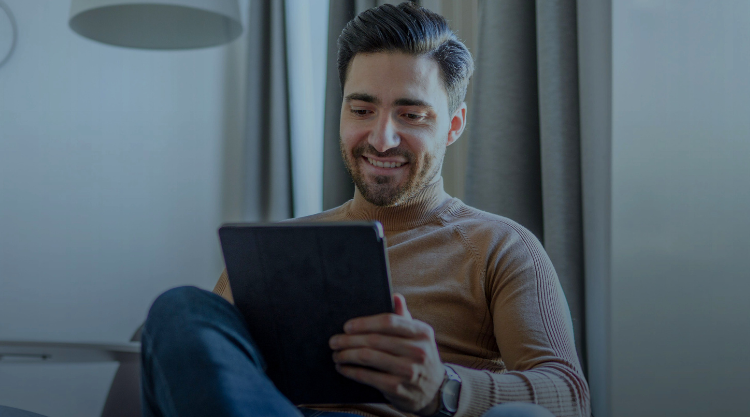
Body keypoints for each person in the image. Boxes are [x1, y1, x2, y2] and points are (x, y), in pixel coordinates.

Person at [140, 3, 590, 417]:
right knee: (179, 310)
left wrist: (443, 388)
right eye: (362, 109)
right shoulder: (273, 249)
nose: (381, 139)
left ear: (453, 125)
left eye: (411, 116)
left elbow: (568, 394)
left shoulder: (501, 247)